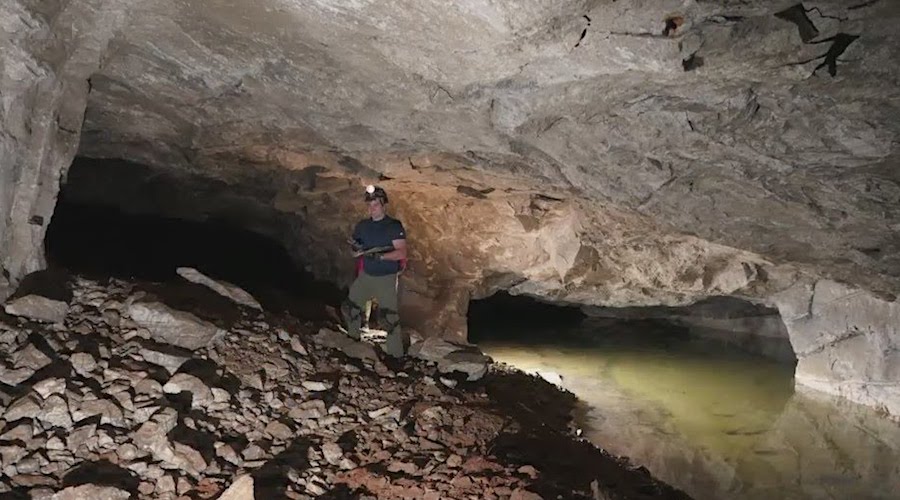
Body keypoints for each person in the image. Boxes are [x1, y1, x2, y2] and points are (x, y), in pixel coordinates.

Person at [342, 185, 408, 357]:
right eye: (369, 205)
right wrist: (355, 251)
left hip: (386, 277)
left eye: (376, 205)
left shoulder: (393, 226)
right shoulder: (363, 226)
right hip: (366, 275)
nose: (372, 209)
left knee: (389, 318)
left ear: (383, 205)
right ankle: (354, 340)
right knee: (350, 307)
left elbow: (401, 252)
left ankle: (396, 356)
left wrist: (381, 257)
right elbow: (354, 248)